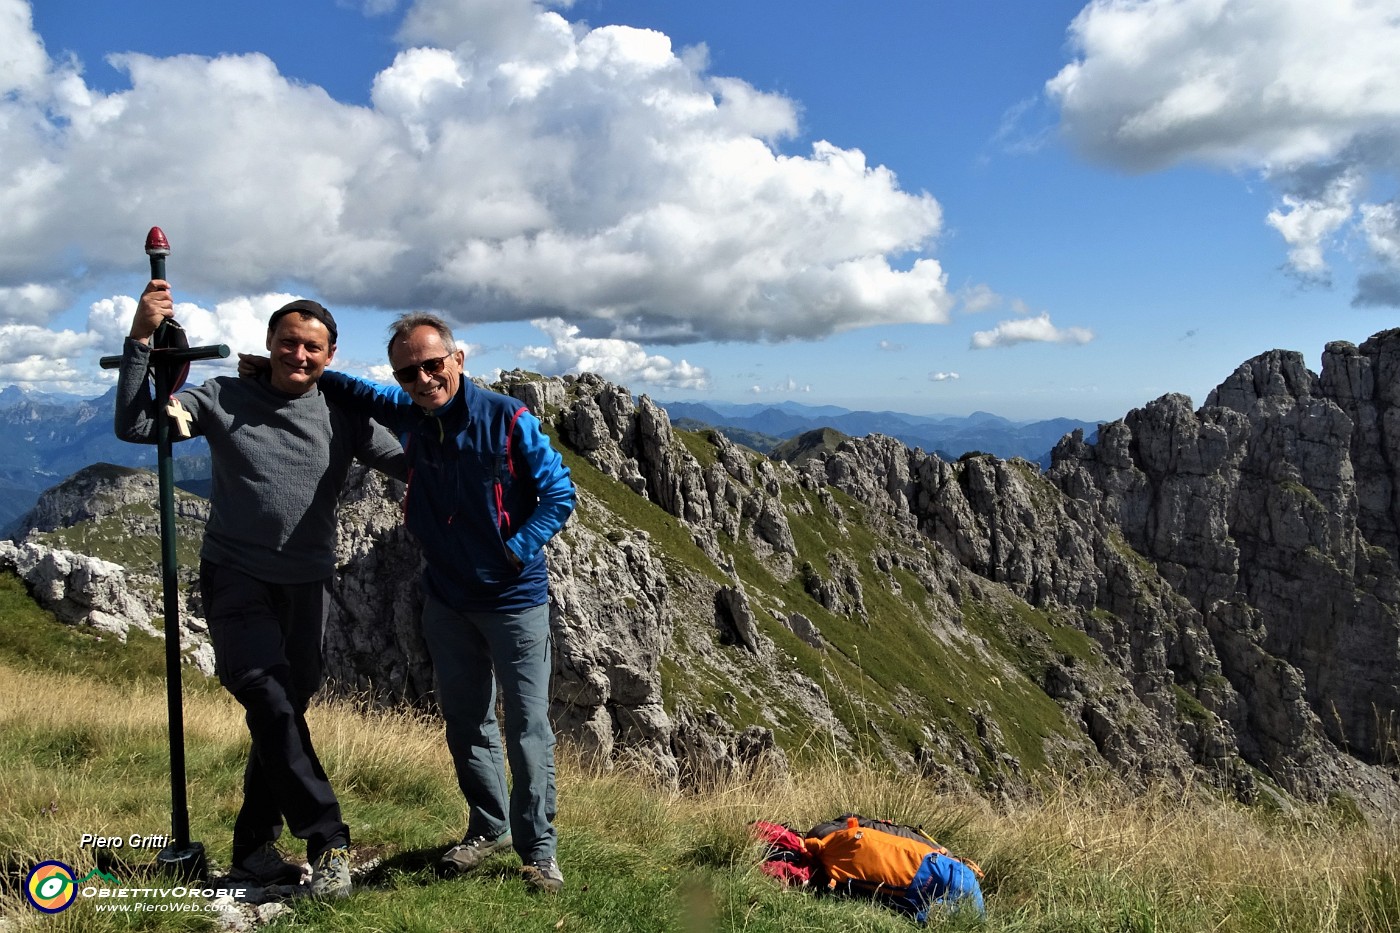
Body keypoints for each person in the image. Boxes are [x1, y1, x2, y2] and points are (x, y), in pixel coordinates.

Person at [114, 279, 405, 899]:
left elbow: (411, 461)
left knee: (282, 717)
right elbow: (140, 424)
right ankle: (328, 839)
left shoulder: (344, 414)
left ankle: (251, 849)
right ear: (270, 344)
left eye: (313, 349)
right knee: (269, 700)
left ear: (330, 357)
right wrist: (142, 337)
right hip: (237, 578)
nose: (299, 356)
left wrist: (488, 443)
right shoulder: (222, 396)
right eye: (288, 343)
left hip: (307, 588)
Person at [304, 313, 575, 894]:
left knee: (527, 728)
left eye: (433, 364)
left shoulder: (508, 418)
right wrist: (305, 366)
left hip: (512, 600)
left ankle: (540, 850)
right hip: (446, 600)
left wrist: (515, 549)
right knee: (465, 720)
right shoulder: (412, 415)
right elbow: (360, 390)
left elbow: (559, 492)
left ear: (457, 359)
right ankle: (488, 828)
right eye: (409, 372)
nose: (423, 379)